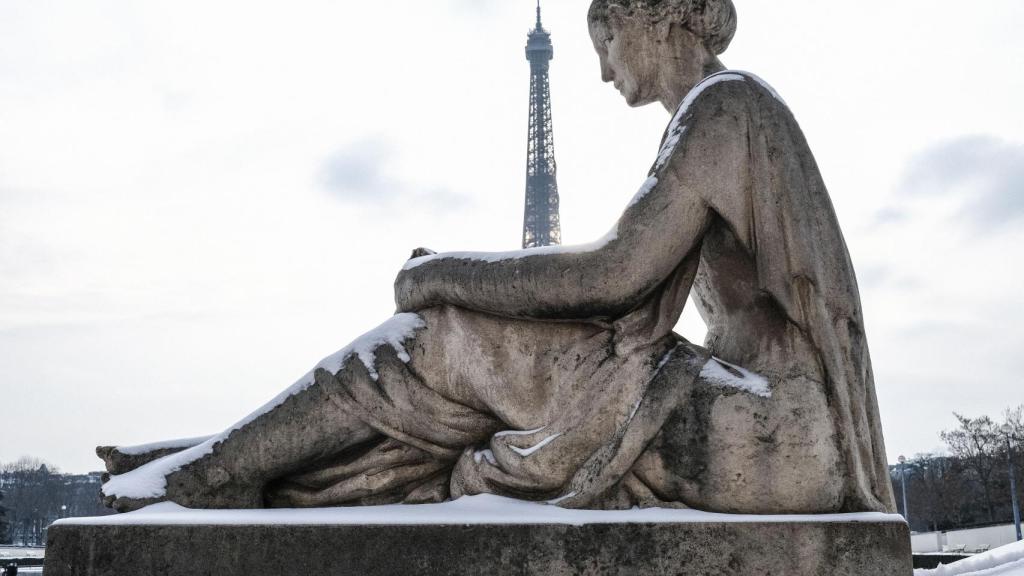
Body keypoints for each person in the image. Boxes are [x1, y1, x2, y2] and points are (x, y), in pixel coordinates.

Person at [100, 0, 895, 515]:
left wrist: (442, 272)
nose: (603, 67)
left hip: (776, 433)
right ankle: (232, 460)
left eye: (605, 38)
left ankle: (216, 473)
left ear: (649, 17)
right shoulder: (721, 111)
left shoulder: (724, 108)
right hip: (761, 419)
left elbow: (612, 276)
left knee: (449, 337)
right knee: (468, 371)